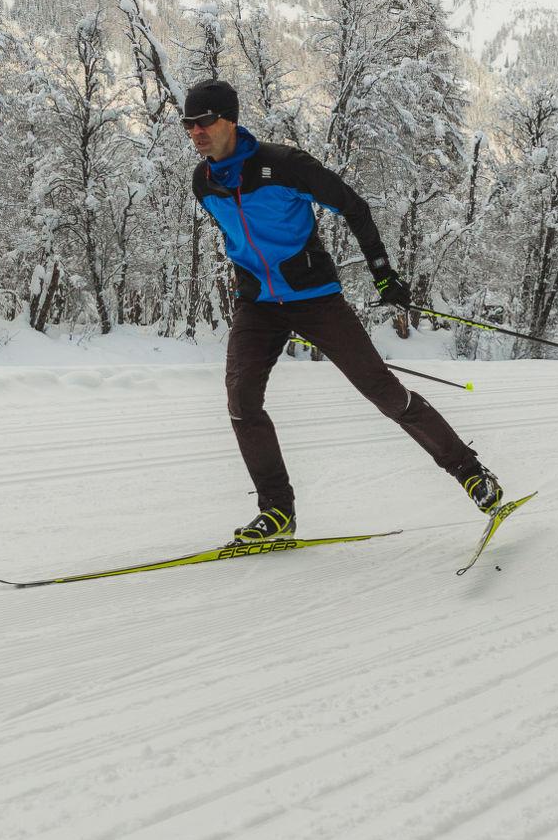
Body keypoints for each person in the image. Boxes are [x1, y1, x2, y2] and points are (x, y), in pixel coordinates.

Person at [182, 77, 502, 541]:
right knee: (241, 403)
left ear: (230, 119)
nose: (196, 131)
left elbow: (354, 206)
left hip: (314, 298)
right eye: (189, 124)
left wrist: (383, 273)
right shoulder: (204, 183)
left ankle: (471, 473)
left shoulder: (284, 165)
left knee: (383, 392)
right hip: (257, 305)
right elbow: (237, 238)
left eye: (205, 121)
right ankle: (278, 512)